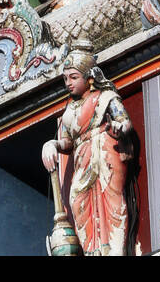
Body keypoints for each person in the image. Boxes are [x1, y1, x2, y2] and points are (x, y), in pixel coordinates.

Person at [41, 40, 139, 255]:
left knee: (112, 198)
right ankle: (93, 250)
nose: (68, 83)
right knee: (77, 200)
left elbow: (125, 121)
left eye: (74, 78)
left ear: (90, 78)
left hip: (106, 150)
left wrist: (118, 128)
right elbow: (67, 142)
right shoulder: (69, 110)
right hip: (82, 155)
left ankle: (114, 250)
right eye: (65, 78)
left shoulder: (105, 98)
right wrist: (52, 144)